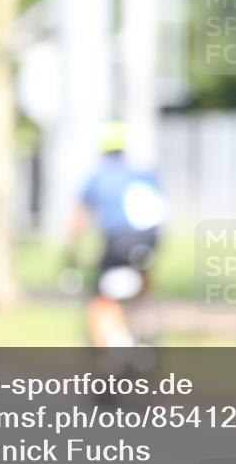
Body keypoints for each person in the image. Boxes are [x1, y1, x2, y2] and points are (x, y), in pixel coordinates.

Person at [66, 121, 166, 351]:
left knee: (101, 298)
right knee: (144, 279)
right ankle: (146, 327)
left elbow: (78, 219)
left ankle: (115, 341)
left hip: (117, 243)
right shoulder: (144, 174)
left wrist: (71, 251)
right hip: (148, 241)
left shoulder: (98, 178)